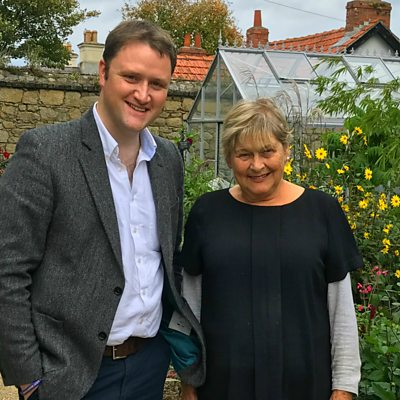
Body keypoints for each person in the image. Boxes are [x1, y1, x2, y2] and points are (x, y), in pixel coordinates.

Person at [0, 19, 205, 400]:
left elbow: (166, 260)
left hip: (149, 365)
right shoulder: (47, 153)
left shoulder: (168, 161)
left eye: (157, 84)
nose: (143, 94)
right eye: (132, 77)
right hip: (70, 377)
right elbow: (7, 269)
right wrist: (28, 379)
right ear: (103, 72)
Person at [178, 98, 362, 400]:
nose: (257, 165)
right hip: (222, 387)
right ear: (229, 157)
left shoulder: (322, 212)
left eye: (267, 151)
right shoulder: (207, 213)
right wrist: (189, 383)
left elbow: (341, 310)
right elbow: (190, 307)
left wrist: (343, 389)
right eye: (244, 154)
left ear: (286, 150)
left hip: (306, 387)